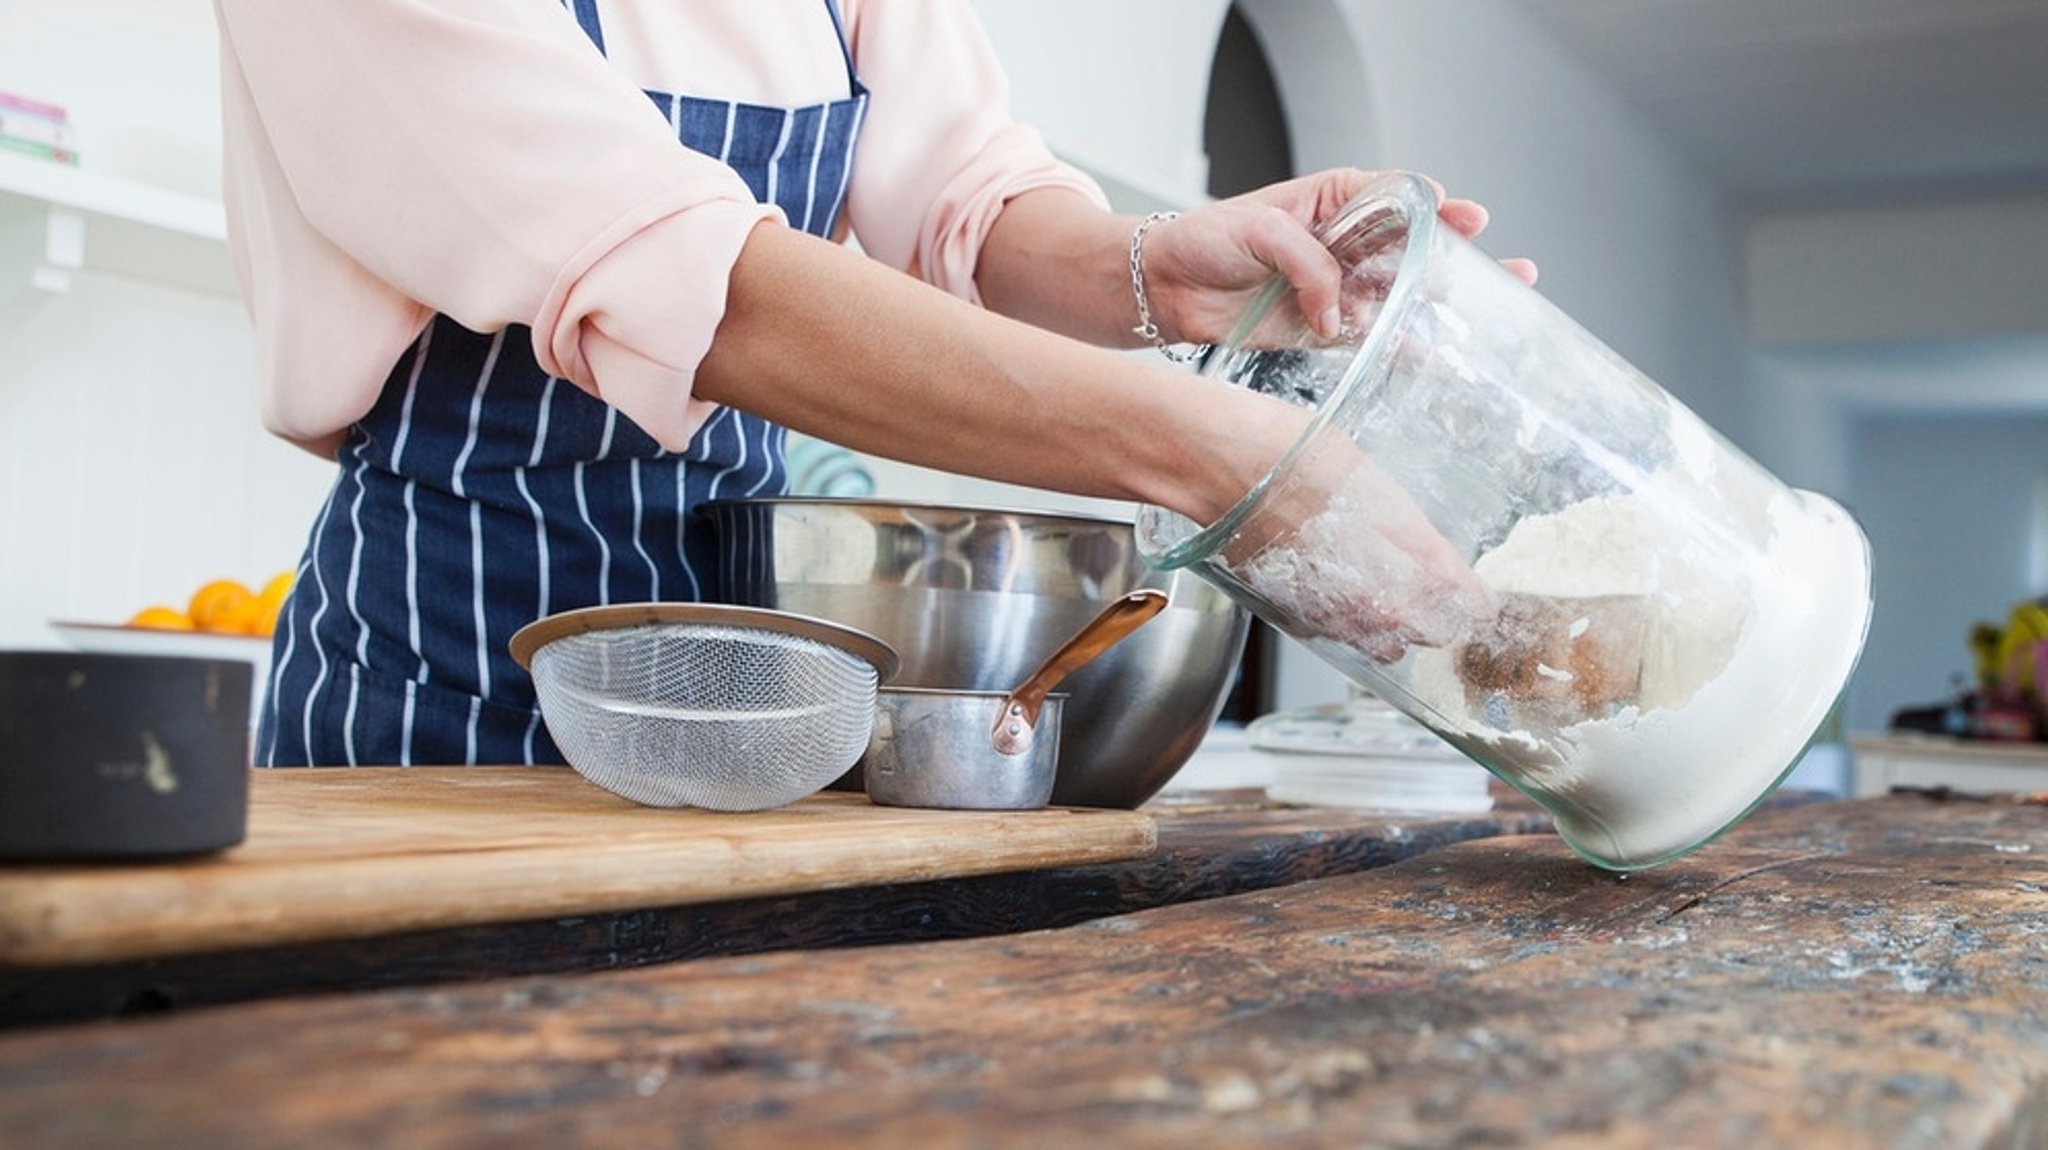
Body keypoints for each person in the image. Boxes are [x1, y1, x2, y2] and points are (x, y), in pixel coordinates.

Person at [211, 0, 1532, 767]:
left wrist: (1158, 270)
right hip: (441, 678)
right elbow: (692, 286)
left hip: (750, 678)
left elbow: (967, 193)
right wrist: (1213, 450)